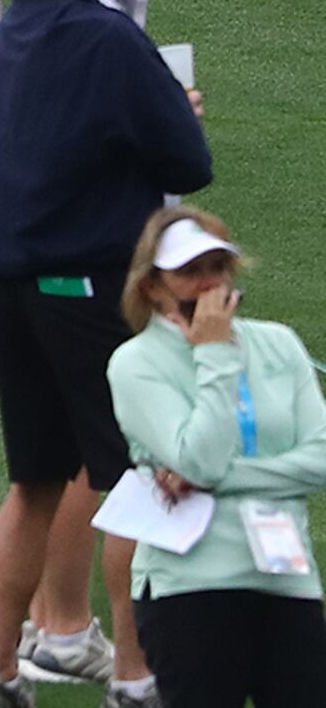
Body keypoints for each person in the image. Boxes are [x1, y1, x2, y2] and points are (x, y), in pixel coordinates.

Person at [0, 0, 214, 707]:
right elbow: (188, 158)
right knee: (138, 475)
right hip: (93, 290)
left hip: (17, 287)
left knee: (35, 483)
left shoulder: (15, 29)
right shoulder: (103, 33)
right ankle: (135, 672)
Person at [111, 209, 326, 708]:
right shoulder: (136, 363)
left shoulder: (279, 344)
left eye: (218, 268)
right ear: (152, 288)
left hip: (286, 579)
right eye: (190, 272)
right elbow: (199, 459)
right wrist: (215, 356)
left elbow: (319, 459)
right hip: (189, 586)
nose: (209, 284)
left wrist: (224, 478)